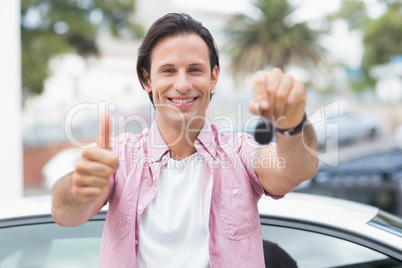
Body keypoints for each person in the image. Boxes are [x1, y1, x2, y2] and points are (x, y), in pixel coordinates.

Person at [51, 12, 318, 267]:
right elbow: (65, 214)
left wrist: (294, 124)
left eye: (194, 70)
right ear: (147, 79)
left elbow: (294, 170)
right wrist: (79, 186)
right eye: (168, 70)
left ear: (213, 78)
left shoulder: (239, 152)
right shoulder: (120, 157)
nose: (182, 84)